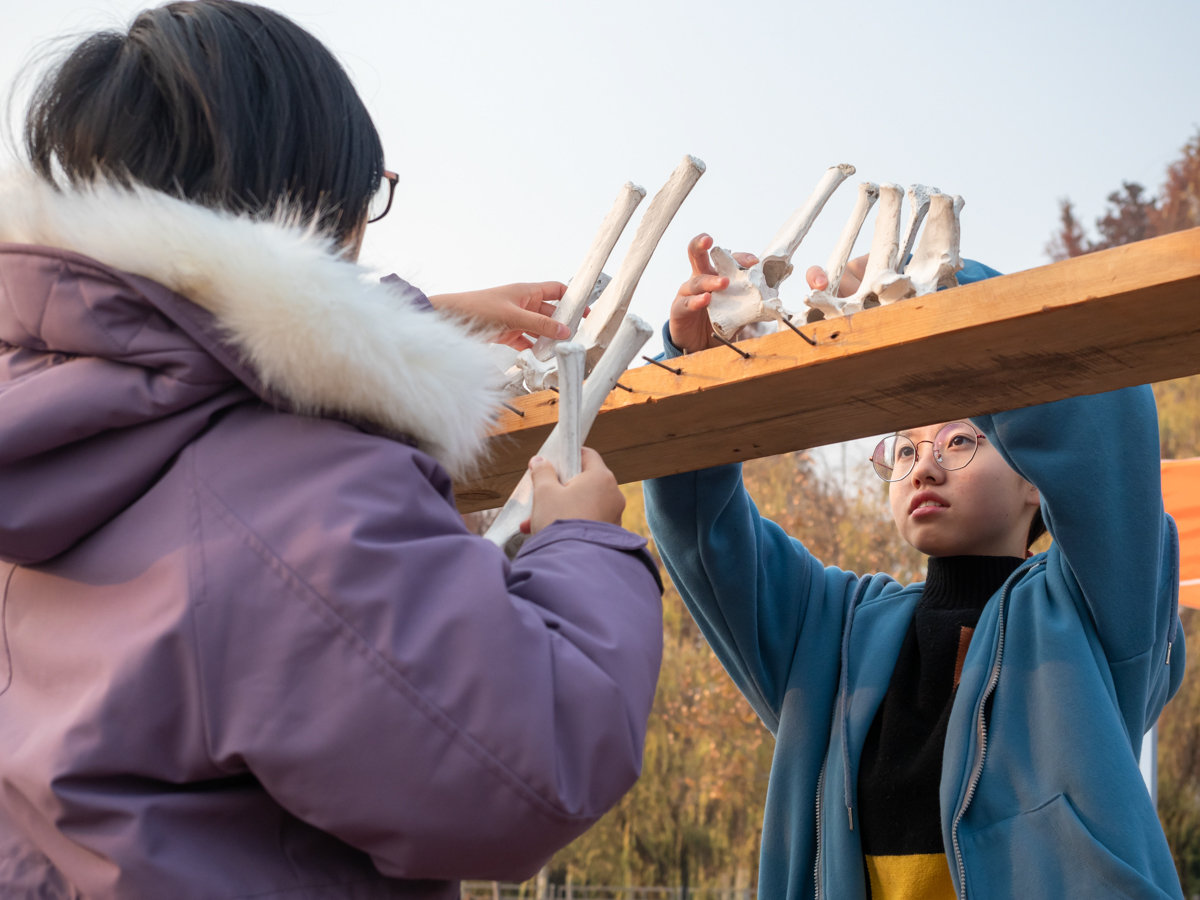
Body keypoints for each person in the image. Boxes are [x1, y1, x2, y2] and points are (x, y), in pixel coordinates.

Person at [0, 3, 663, 897]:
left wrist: (406, 320)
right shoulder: (299, 501)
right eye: (365, 196)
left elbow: (181, 347)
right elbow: (524, 774)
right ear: (311, 202)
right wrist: (583, 548)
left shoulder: (46, 413)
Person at [643, 234, 1186, 899]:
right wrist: (698, 378)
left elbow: (1104, 425)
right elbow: (705, 535)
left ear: (1035, 480)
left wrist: (939, 290)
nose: (924, 463)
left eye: (960, 439)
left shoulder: (1093, 613)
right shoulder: (835, 631)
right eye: (903, 450)